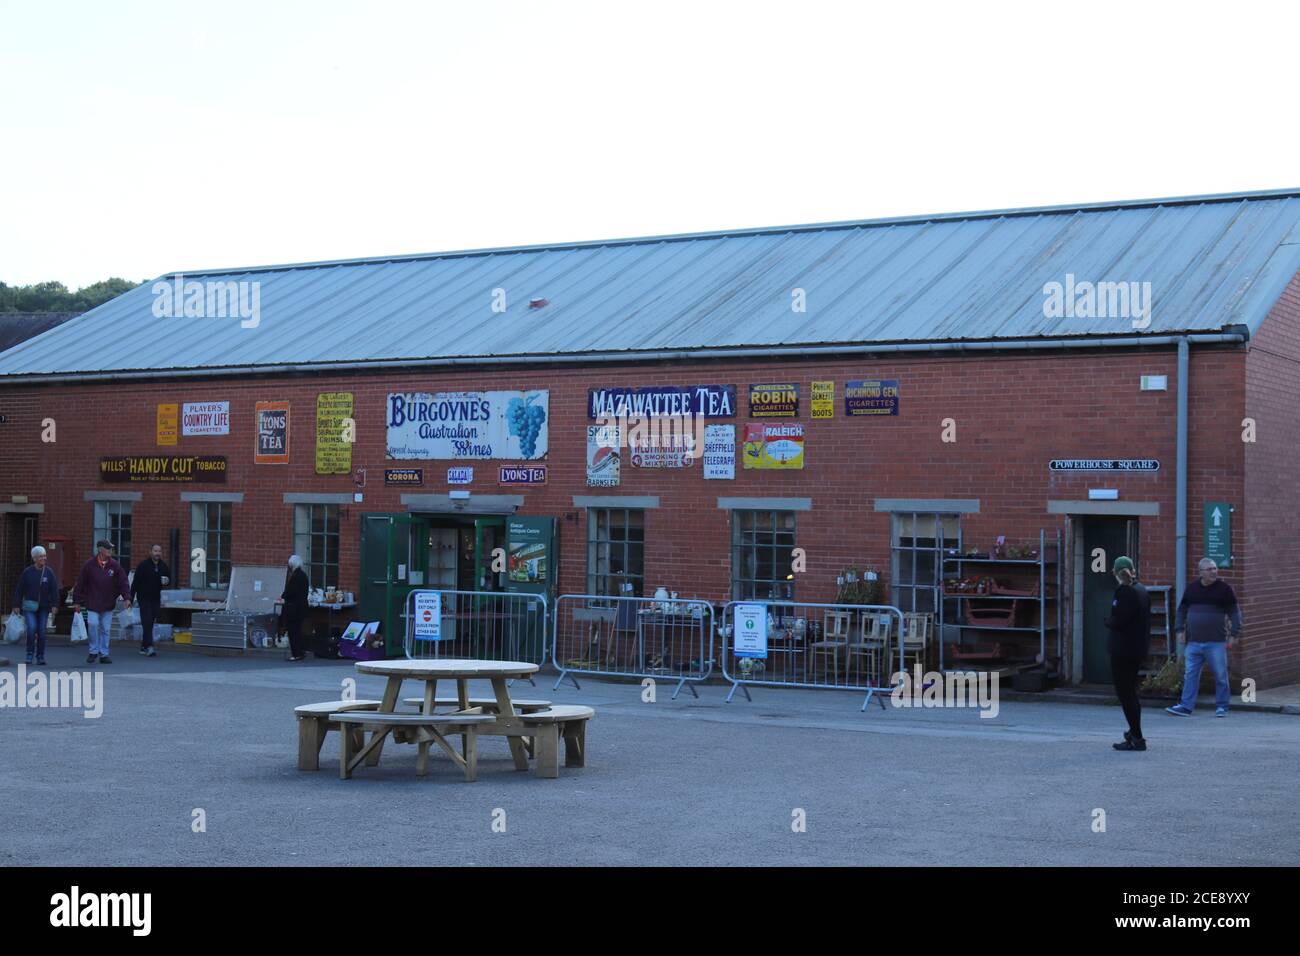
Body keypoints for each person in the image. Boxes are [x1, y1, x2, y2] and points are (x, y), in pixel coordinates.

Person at [1167, 557, 1242, 718]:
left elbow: (1235, 613)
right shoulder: (1192, 589)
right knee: (1190, 675)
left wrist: (1234, 634)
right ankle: (1186, 707)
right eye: (1210, 569)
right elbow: (1182, 611)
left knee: (1221, 675)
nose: (1214, 572)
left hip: (1216, 642)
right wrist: (1180, 631)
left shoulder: (1224, 589)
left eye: (1215, 568)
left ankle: (1222, 706)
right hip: (1193, 642)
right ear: (1201, 572)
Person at [1104, 556, 1151, 751]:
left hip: (1123, 650)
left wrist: (1107, 621)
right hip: (1137, 648)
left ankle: (1137, 736)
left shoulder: (1125, 591)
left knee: (1125, 694)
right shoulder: (1142, 590)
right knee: (1131, 692)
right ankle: (1134, 732)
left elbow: (1119, 620)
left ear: (1115, 573)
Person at [73, 540, 132, 665]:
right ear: (100, 549)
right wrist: (77, 601)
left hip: (108, 603)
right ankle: (93, 651)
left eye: (111, 548)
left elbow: (123, 582)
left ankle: (104, 653)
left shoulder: (115, 565)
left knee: (105, 629)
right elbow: (80, 583)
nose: (110, 550)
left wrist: (127, 597)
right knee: (93, 624)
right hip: (92, 602)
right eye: (108, 548)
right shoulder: (89, 565)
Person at [12, 545, 60, 666]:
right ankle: (29, 654)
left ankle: (40, 656)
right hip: (29, 607)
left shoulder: (49, 572)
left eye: (44, 556)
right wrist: (16, 604)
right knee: (32, 628)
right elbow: (19, 589)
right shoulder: (27, 572)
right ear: (34, 558)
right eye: (41, 556)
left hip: (44, 607)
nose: (44, 558)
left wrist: (55, 605)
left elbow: (54, 589)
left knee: (42, 631)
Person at [130, 543, 172, 657]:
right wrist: (130, 597)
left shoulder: (163, 566)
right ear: (150, 552)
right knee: (147, 621)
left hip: (155, 598)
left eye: (159, 551)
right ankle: (150, 646)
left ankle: (144, 646)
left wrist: (167, 581)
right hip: (143, 597)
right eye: (155, 551)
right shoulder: (143, 565)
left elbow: (169, 579)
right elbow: (135, 582)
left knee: (150, 622)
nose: (157, 553)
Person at [279, 554, 309, 662]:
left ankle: (296, 654)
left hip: (293, 608)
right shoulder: (304, 575)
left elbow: (290, 591)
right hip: (302, 607)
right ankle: (300, 652)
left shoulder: (295, 576)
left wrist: (283, 596)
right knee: (298, 631)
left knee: (293, 631)